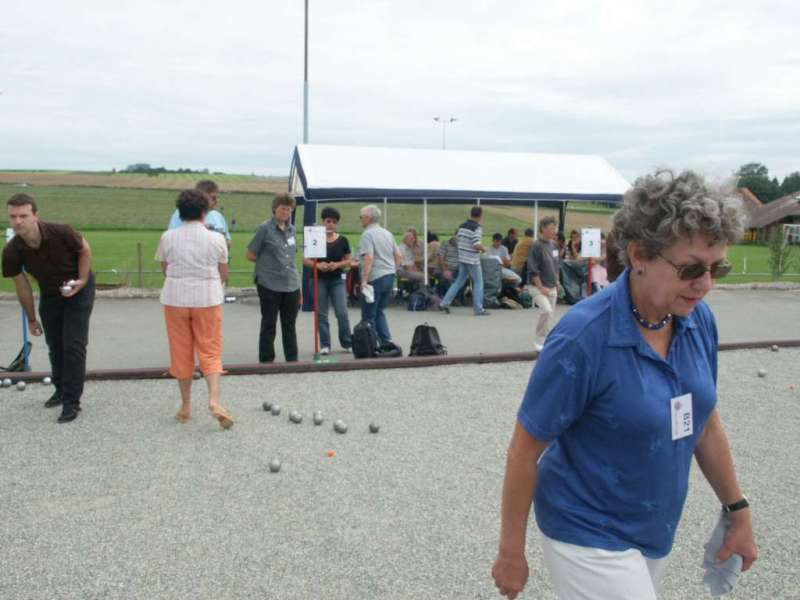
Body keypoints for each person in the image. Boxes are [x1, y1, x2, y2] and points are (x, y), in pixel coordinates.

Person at [492, 169, 757, 600]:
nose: (706, 285)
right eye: (691, 268)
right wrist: (511, 552)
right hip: (586, 530)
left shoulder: (696, 319)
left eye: (717, 268)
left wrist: (738, 510)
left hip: (653, 530)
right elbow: (525, 449)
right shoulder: (583, 338)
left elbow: (703, 422)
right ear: (638, 254)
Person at [2, 193, 95, 424]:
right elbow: (21, 285)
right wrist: (32, 319)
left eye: (23, 215)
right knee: (55, 343)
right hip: (51, 293)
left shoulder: (60, 231)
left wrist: (82, 280)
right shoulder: (12, 250)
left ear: (35, 215)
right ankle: (60, 389)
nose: (18, 222)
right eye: (13, 216)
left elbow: (84, 249)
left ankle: (72, 402)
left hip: (78, 288)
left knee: (73, 344)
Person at [156, 189, 233, 429]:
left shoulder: (168, 236)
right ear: (205, 212)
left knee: (181, 351)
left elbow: (164, 268)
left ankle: (186, 406)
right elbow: (223, 272)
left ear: (180, 212)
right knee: (210, 350)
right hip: (208, 299)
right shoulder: (216, 238)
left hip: (175, 298)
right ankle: (214, 401)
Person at [247, 193, 301, 362]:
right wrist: (267, 265)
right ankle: (266, 360)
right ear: (275, 209)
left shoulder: (292, 230)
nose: (286, 212)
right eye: (283, 208)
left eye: (289, 209)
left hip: (290, 283)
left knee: (289, 324)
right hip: (269, 283)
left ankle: (292, 360)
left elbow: (292, 256)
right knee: (269, 323)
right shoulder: (264, 228)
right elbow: (250, 253)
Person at [302, 206, 353, 355]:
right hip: (319, 280)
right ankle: (325, 344)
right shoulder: (314, 238)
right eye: (328, 221)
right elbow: (304, 259)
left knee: (342, 311)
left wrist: (336, 264)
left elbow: (349, 261)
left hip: (337, 279)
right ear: (323, 222)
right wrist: (317, 265)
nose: (331, 224)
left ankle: (347, 341)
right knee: (321, 313)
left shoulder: (343, 240)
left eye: (334, 222)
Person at [358, 204, 402, 345]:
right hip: (389, 275)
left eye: (361, 217)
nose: (360, 220)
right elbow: (398, 255)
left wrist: (364, 280)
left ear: (368, 218)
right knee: (379, 311)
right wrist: (393, 270)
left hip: (375, 277)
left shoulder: (367, 234)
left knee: (368, 314)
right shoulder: (387, 233)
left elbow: (369, 257)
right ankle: (386, 342)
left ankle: (370, 345)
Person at [439, 206, 490, 316]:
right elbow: (476, 244)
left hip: (462, 258)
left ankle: (444, 303)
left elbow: (458, 240)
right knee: (478, 283)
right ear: (480, 215)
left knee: (458, 282)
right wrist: (484, 249)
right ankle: (478, 309)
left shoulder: (461, 226)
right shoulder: (477, 228)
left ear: (471, 214)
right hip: (472, 260)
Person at [527, 216, 561, 351]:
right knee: (546, 311)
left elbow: (556, 265)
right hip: (537, 287)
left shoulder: (554, 245)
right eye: (552, 228)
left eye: (555, 228)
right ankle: (539, 340)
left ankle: (546, 340)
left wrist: (557, 281)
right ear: (543, 229)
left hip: (552, 286)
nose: (554, 231)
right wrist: (541, 287)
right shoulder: (536, 246)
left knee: (550, 314)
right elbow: (532, 268)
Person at [168, 180, 231, 251]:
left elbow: (228, 244)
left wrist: (221, 238)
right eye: (213, 198)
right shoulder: (182, 212)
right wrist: (203, 232)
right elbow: (172, 241)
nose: (217, 201)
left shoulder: (218, 216)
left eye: (218, 197)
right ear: (201, 197)